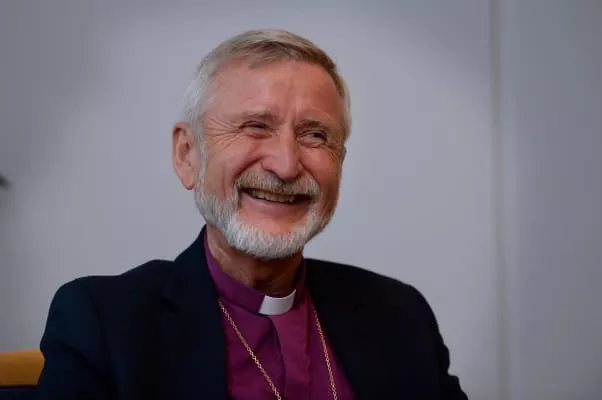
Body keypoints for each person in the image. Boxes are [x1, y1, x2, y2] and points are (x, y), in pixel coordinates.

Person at [34, 29, 468, 400]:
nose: (286, 165)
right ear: (187, 155)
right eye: (255, 126)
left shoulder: (399, 316)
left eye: (315, 135)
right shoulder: (104, 323)